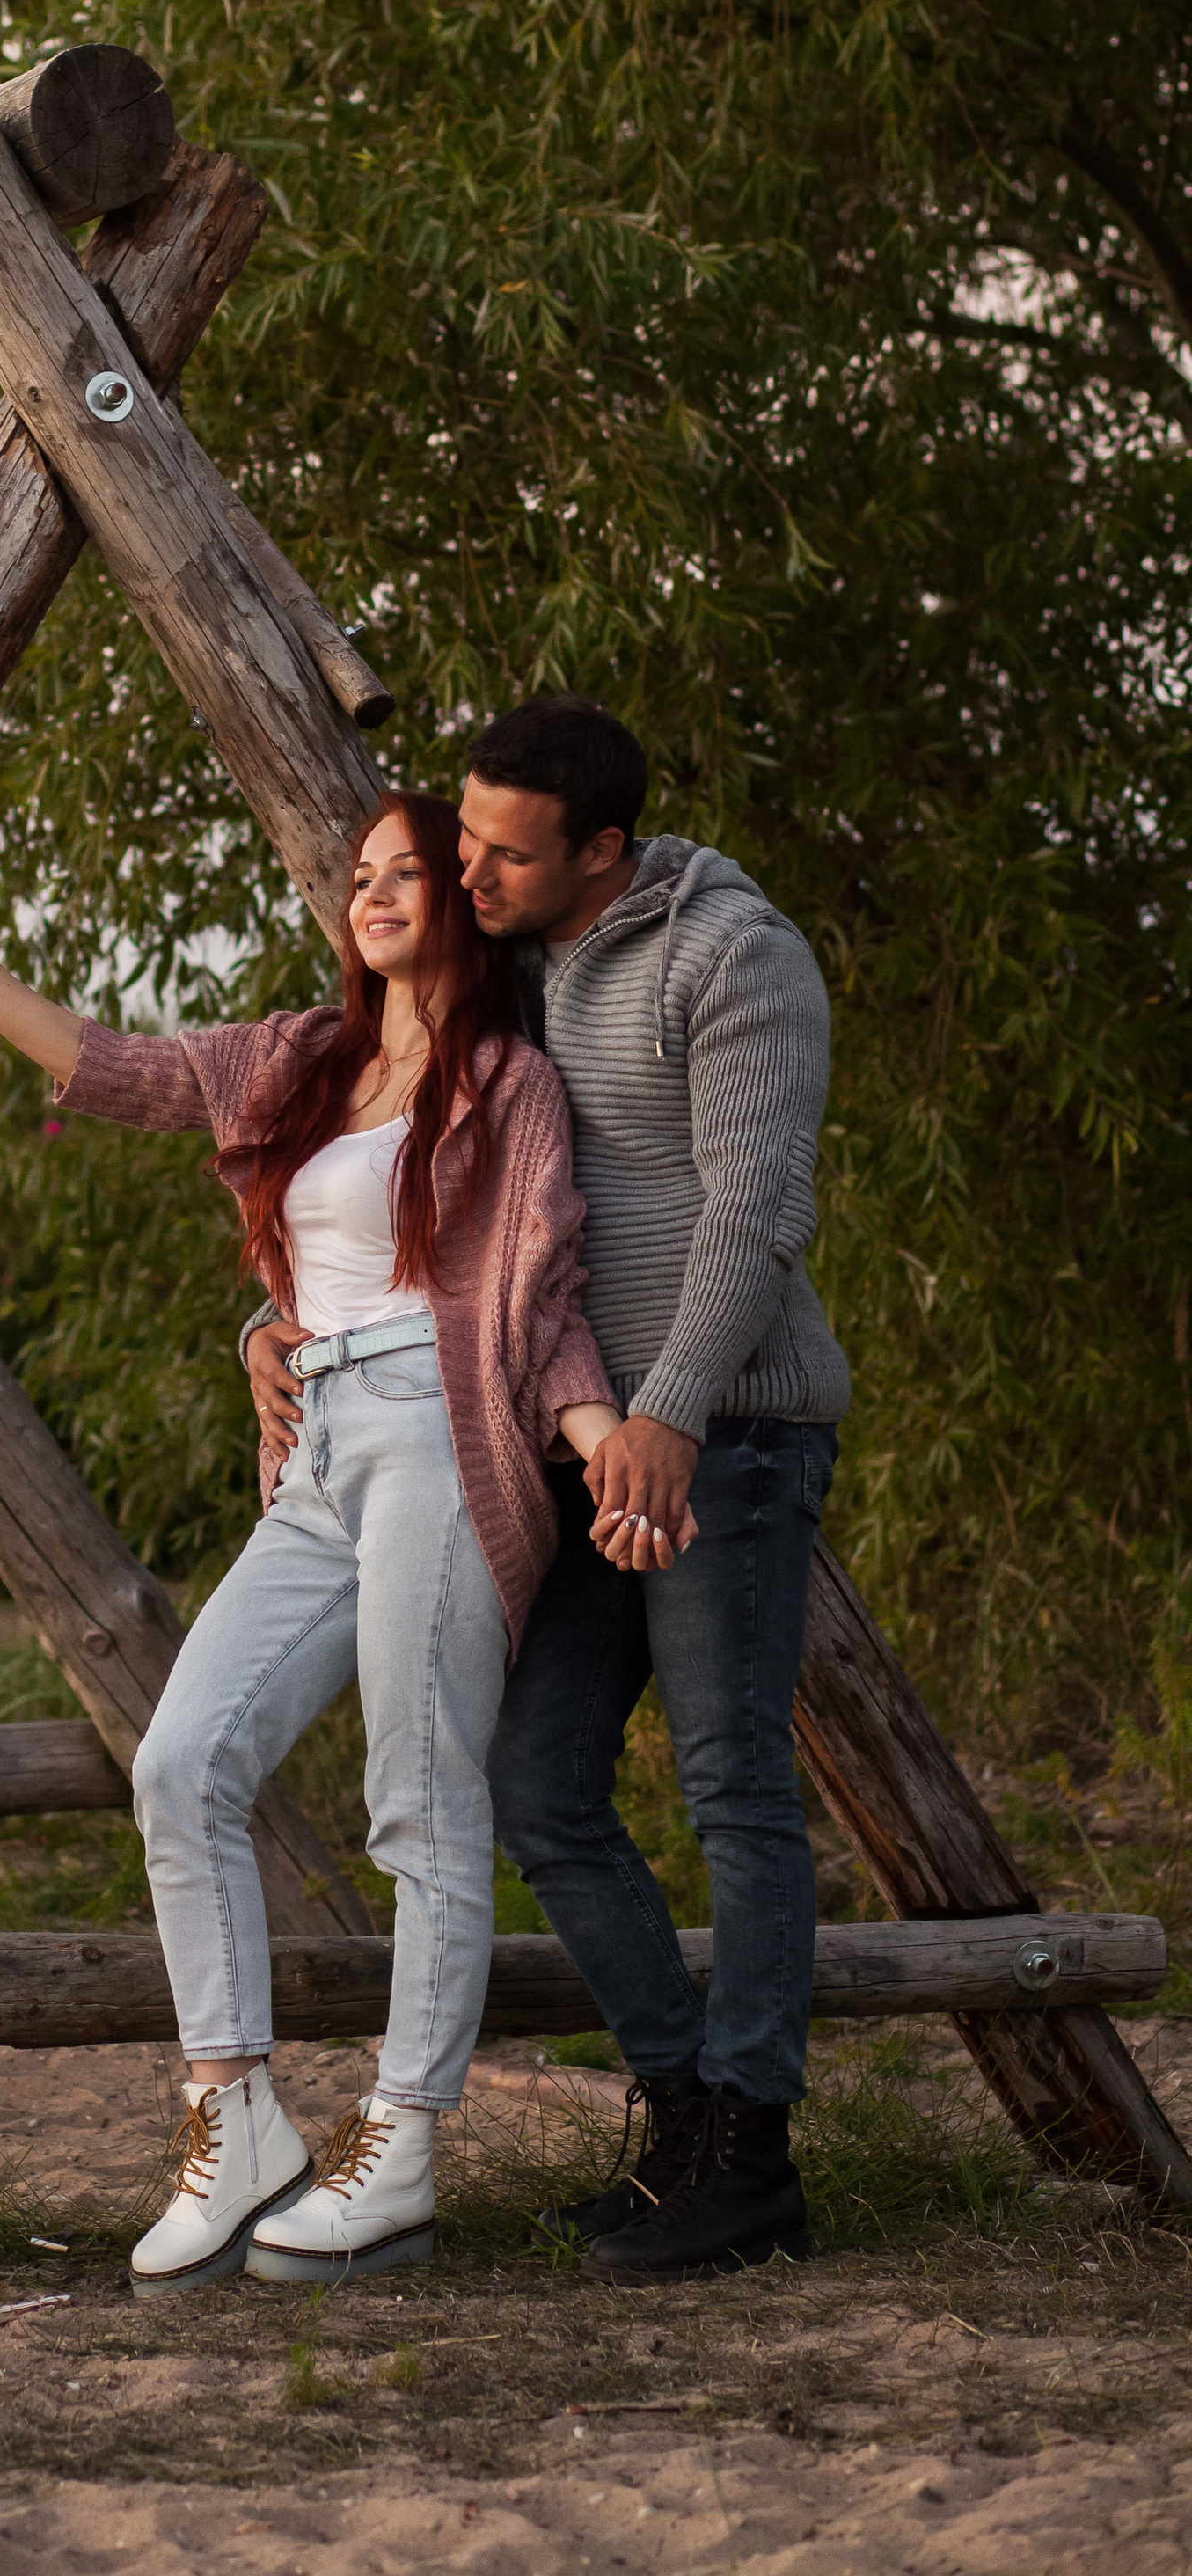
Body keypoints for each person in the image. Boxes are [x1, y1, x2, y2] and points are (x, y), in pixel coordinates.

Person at [0, 773, 620, 2290]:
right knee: (184, 1762)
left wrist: (606, 1441)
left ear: (467, 901)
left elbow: (536, 1306)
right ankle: (238, 2120)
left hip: (440, 1430)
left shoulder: (507, 1080)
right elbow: (112, 1067)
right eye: (359, 873)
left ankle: (406, 2144)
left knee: (420, 1795)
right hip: (321, 1452)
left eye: (406, 871)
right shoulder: (303, 1060)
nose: (374, 892)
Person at [250, 695, 850, 2279]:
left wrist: (666, 1411)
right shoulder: (520, 965)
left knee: (733, 1787)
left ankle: (755, 2156)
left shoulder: (735, 956)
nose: (470, 871)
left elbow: (760, 1208)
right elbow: (412, 1184)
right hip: (577, 1446)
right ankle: (680, 2109)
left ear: (607, 851)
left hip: (724, 1437)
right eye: (465, 838)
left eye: (506, 851)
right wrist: (276, 1322)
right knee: (538, 1781)